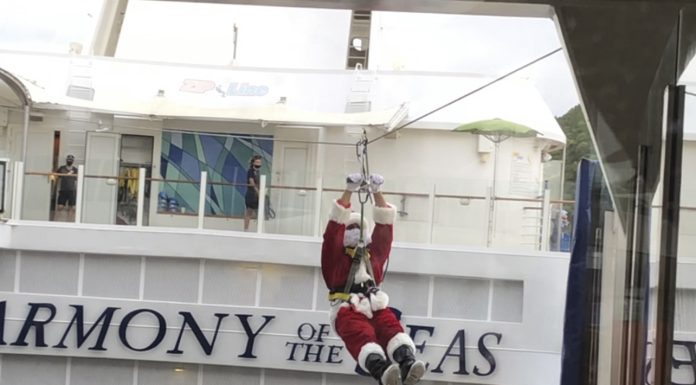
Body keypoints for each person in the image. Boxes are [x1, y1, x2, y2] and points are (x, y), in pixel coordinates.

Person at [322, 173, 425, 385]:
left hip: (375, 304)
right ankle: (381, 369)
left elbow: (385, 228)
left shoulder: (373, 255)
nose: (355, 232)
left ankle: (406, 361)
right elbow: (333, 231)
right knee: (361, 335)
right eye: (350, 228)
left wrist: (377, 192)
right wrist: (349, 191)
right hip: (346, 307)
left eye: (358, 228)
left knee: (391, 328)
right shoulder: (335, 258)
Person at [54, 154, 78, 221]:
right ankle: (56, 221)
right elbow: (56, 176)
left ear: (73, 161)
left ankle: (69, 222)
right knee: (60, 207)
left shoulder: (75, 170)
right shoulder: (61, 168)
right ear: (66, 160)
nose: (69, 161)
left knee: (71, 208)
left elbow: (77, 180)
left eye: (71, 160)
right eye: (68, 160)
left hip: (72, 190)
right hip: (63, 190)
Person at [244, 155, 262, 231]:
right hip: (251, 194)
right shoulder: (250, 171)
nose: (259, 164)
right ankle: (246, 229)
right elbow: (251, 181)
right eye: (257, 162)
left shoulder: (258, 172)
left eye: (260, 162)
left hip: (257, 194)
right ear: (253, 163)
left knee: (259, 212)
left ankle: (259, 229)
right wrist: (257, 190)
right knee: (249, 212)